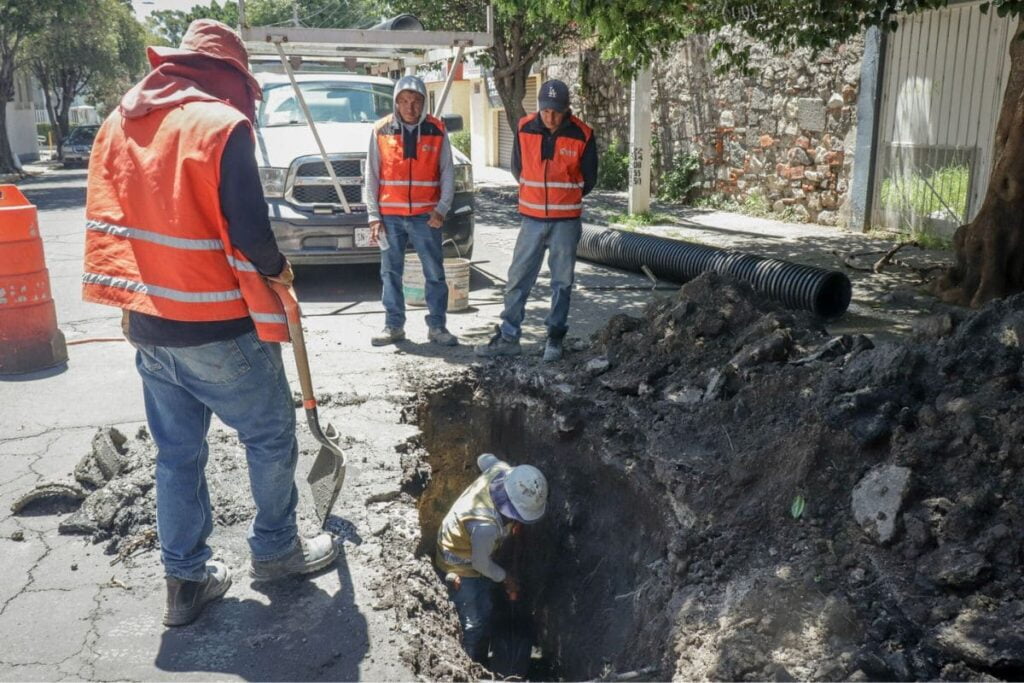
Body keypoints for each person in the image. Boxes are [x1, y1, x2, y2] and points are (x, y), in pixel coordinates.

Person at [82, 19, 338, 628]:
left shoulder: (120, 122)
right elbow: (250, 232)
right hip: (215, 324)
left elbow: (120, 224)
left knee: (177, 455)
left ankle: (185, 581)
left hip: (148, 324)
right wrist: (280, 269)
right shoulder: (221, 127)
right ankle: (277, 550)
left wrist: (132, 304)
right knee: (271, 435)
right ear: (228, 76)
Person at [475, 79, 598, 362]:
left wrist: (560, 199)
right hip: (531, 219)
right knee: (518, 278)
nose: (550, 117)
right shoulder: (524, 127)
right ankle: (508, 336)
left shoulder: (583, 135)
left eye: (556, 111)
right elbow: (518, 169)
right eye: (545, 111)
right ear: (539, 107)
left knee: (562, 282)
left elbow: (589, 179)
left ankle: (554, 338)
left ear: (567, 109)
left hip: (565, 222)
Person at [365, 75, 458, 347]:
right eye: (404, 101)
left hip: (426, 217)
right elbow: (371, 176)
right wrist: (373, 216)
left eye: (416, 101)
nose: (410, 107)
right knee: (390, 273)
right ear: (395, 103)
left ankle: (437, 327)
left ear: (423, 103)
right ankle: (393, 326)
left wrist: (442, 209)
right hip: (390, 216)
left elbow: (447, 173)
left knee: (435, 273)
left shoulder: (437, 130)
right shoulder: (380, 130)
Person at [435, 453, 548, 662]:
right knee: (474, 622)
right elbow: (480, 563)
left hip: (470, 542)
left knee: (486, 604)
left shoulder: (500, 470)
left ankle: (483, 640)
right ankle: (469, 662)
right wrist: (506, 577)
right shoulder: (486, 526)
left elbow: (483, 459)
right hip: (458, 561)